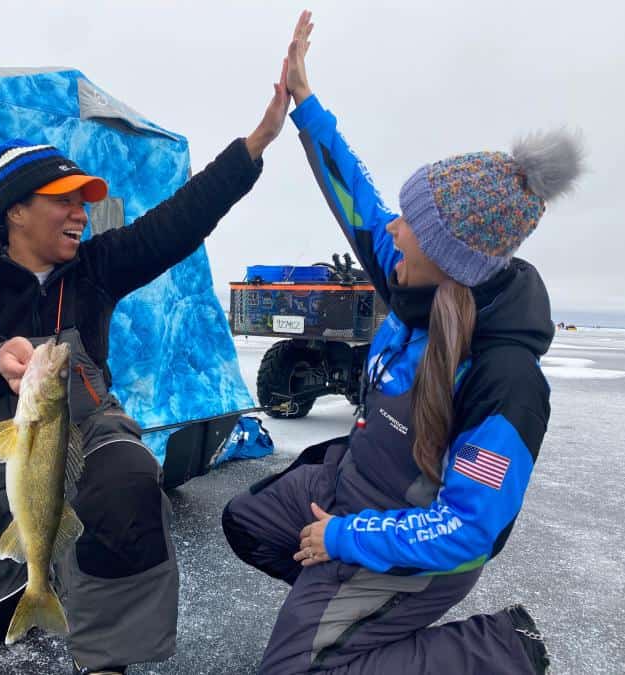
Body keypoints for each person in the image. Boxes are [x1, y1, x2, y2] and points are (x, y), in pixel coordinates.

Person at [222, 11, 584, 675]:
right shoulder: (413, 276)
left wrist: (343, 537)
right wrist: (305, 100)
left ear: (450, 255)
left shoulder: (506, 379)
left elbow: (468, 528)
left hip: (416, 540)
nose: (393, 226)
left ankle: (496, 650)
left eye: (411, 222)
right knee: (245, 521)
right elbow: (356, 194)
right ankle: (341, 616)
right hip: (356, 486)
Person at [0, 65, 291, 675]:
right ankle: (58, 570)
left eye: (84, 202)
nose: (81, 213)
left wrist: (257, 144)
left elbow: (180, 220)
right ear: (15, 211)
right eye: (63, 201)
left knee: (126, 481)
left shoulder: (96, 268)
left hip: (86, 430)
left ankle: (108, 658)